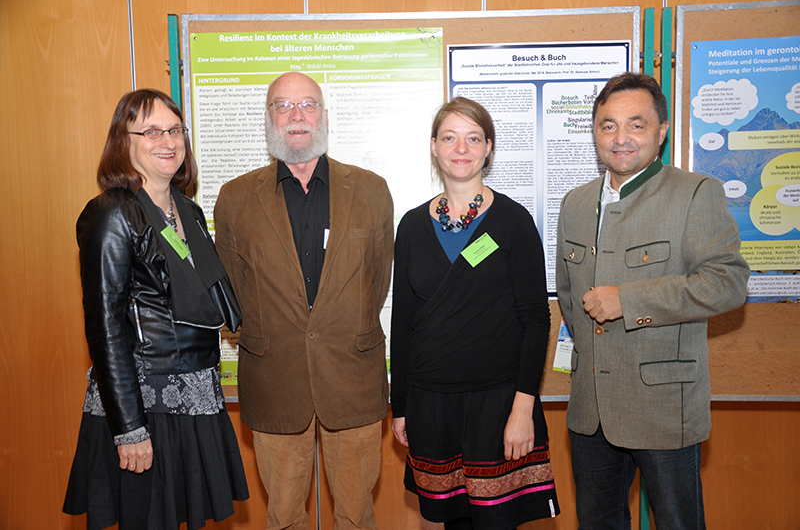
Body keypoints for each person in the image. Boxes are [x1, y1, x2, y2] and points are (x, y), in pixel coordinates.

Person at [556, 72, 750, 529]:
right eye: (608, 125)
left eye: (636, 124)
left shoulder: (694, 193)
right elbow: (568, 295)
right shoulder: (575, 203)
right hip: (591, 411)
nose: (620, 137)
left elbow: (727, 282)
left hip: (664, 408)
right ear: (595, 133)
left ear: (661, 132)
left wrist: (630, 299)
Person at [213, 72, 393, 530]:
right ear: (268, 119)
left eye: (308, 104)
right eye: (283, 105)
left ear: (325, 116)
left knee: (357, 514)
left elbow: (377, 281)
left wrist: (339, 326)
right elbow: (232, 288)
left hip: (351, 376)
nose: (297, 115)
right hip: (276, 379)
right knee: (284, 514)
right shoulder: (235, 199)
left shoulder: (371, 191)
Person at [62, 89, 249, 530]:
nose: (168, 141)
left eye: (175, 130)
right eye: (151, 131)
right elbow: (105, 328)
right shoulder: (111, 214)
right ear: (122, 142)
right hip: (146, 405)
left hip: (197, 396)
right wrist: (129, 428)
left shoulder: (188, 211)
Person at [390, 97, 560, 530]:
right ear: (433, 146)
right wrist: (400, 406)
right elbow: (403, 323)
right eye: (449, 138)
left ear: (488, 148)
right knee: (453, 524)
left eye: (472, 138)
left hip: (497, 403)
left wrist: (524, 407)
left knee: (496, 523)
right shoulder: (410, 226)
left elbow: (535, 320)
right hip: (432, 404)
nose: (460, 148)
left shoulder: (513, 221)